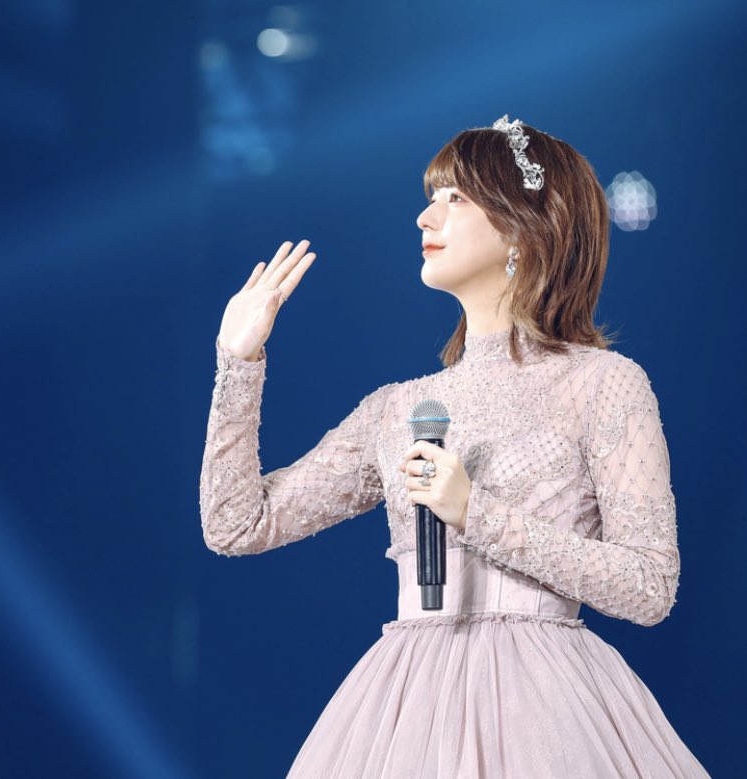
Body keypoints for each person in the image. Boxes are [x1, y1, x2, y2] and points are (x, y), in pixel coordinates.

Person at [198, 116, 709, 777]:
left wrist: (475, 512)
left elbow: (650, 586)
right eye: (431, 197)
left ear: (522, 226)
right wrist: (238, 361)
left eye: (454, 197)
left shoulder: (603, 384)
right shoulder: (397, 408)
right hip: (407, 712)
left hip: (546, 711)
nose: (425, 216)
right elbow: (237, 524)